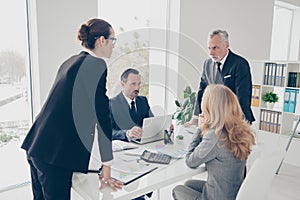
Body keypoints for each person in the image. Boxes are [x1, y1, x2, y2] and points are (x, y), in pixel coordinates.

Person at [21, 18, 123, 200]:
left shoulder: (71, 61)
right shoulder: (96, 65)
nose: (113, 45)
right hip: (53, 156)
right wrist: (107, 164)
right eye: (112, 40)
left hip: (37, 145)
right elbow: (102, 116)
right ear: (101, 40)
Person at [172, 84, 256, 200]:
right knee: (188, 184)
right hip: (234, 194)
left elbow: (191, 162)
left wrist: (200, 128)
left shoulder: (215, 135)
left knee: (177, 190)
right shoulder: (239, 129)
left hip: (216, 197)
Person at [187, 29, 255, 127]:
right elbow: (202, 91)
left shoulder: (240, 64)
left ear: (226, 45)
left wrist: (239, 124)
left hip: (235, 119)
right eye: (209, 48)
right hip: (214, 119)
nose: (211, 53)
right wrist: (196, 117)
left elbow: (243, 96)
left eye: (215, 48)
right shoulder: (207, 64)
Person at [110, 68, 154, 141]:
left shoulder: (143, 100)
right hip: (123, 148)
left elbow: (151, 122)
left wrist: (164, 128)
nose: (137, 87)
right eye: (133, 84)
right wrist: (127, 133)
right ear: (122, 84)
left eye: (139, 83)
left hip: (143, 144)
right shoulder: (111, 104)